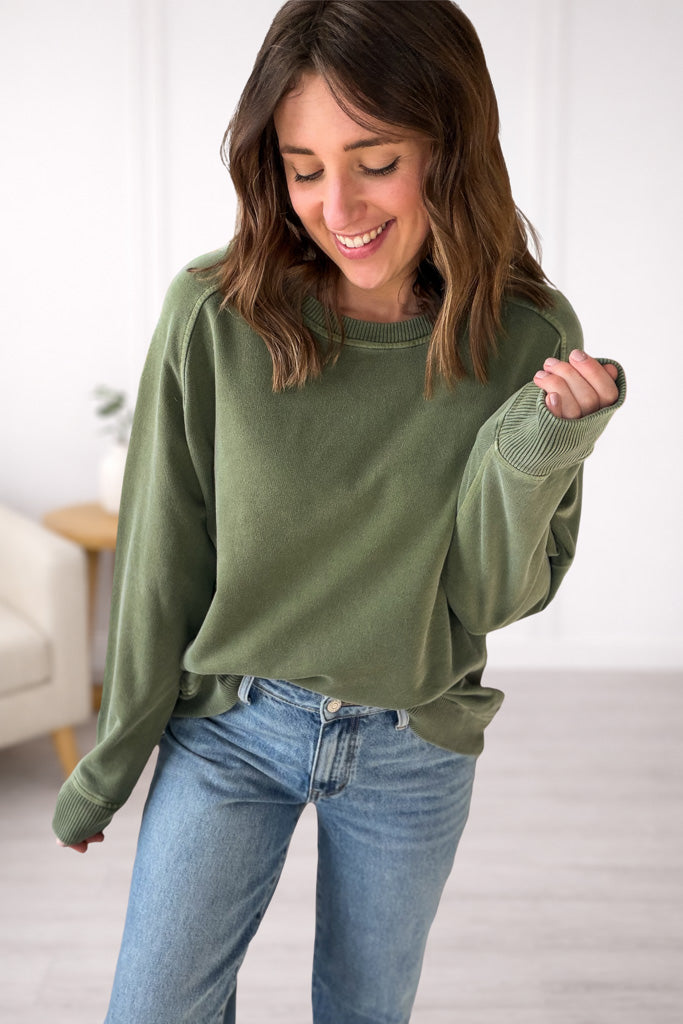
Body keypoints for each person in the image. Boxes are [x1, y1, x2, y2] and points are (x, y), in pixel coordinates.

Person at [53, 2, 626, 1021]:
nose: (337, 203)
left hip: (412, 742)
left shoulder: (525, 334)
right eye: (302, 165)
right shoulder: (215, 316)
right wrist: (109, 764)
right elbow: (158, 562)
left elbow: (495, 595)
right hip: (230, 722)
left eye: (374, 159)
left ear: (448, 147)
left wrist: (536, 448)